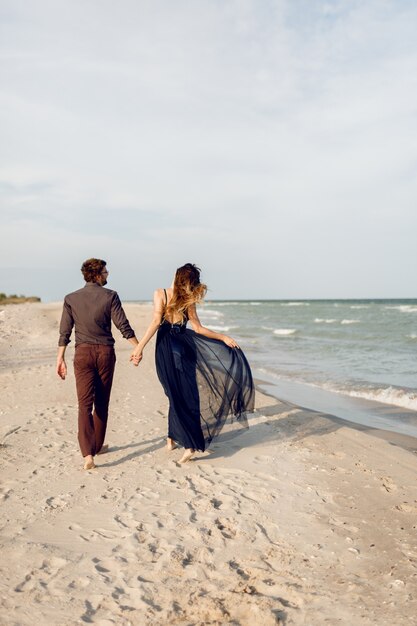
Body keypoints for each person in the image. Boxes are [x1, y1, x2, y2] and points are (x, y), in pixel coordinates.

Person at [130, 263, 254, 463]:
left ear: (176, 276)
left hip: (165, 347)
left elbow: (155, 322)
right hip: (185, 346)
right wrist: (222, 337)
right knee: (185, 393)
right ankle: (171, 438)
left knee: (174, 392)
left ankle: (189, 444)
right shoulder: (188, 299)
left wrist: (139, 348)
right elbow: (198, 328)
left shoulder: (160, 293)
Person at [56, 258, 139, 470]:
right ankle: (97, 446)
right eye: (105, 271)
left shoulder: (71, 298)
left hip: (82, 354)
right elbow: (123, 325)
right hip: (104, 353)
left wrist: (60, 358)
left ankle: (88, 455)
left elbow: (65, 331)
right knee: (101, 403)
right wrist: (136, 347)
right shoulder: (110, 296)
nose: (108, 274)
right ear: (97, 275)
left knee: (84, 404)